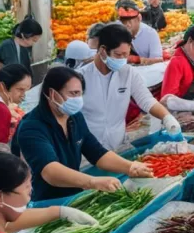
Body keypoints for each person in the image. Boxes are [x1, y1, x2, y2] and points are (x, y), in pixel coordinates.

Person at [10, 66, 153, 201]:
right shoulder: (32, 127)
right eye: (73, 94)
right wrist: (92, 181)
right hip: (46, 202)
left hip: (74, 194)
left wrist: (130, 167)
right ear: (52, 94)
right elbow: (50, 171)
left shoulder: (74, 117)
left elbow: (97, 153)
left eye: (80, 94)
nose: (78, 100)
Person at [77, 24, 181, 150]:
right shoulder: (80, 77)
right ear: (103, 50)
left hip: (117, 145)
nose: (122, 59)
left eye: (125, 55)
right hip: (86, 149)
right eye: (118, 54)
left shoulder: (128, 73)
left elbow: (146, 100)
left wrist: (167, 118)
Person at [115, 0, 164, 65]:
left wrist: (137, 60)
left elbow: (158, 60)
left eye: (130, 21)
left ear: (139, 18)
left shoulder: (150, 34)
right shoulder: (116, 28)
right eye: (123, 21)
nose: (127, 25)